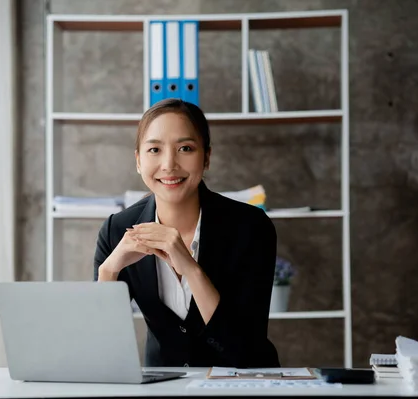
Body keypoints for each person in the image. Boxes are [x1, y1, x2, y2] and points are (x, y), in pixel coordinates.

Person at [94, 98, 280, 368]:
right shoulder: (115, 230)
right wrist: (108, 271)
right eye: (154, 149)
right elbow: (100, 348)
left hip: (242, 385)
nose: (169, 164)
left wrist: (191, 270)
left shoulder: (251, 227)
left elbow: (244, 349)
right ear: (138, 160)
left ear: (206, 157)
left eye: (185, 148)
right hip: (162, 387)